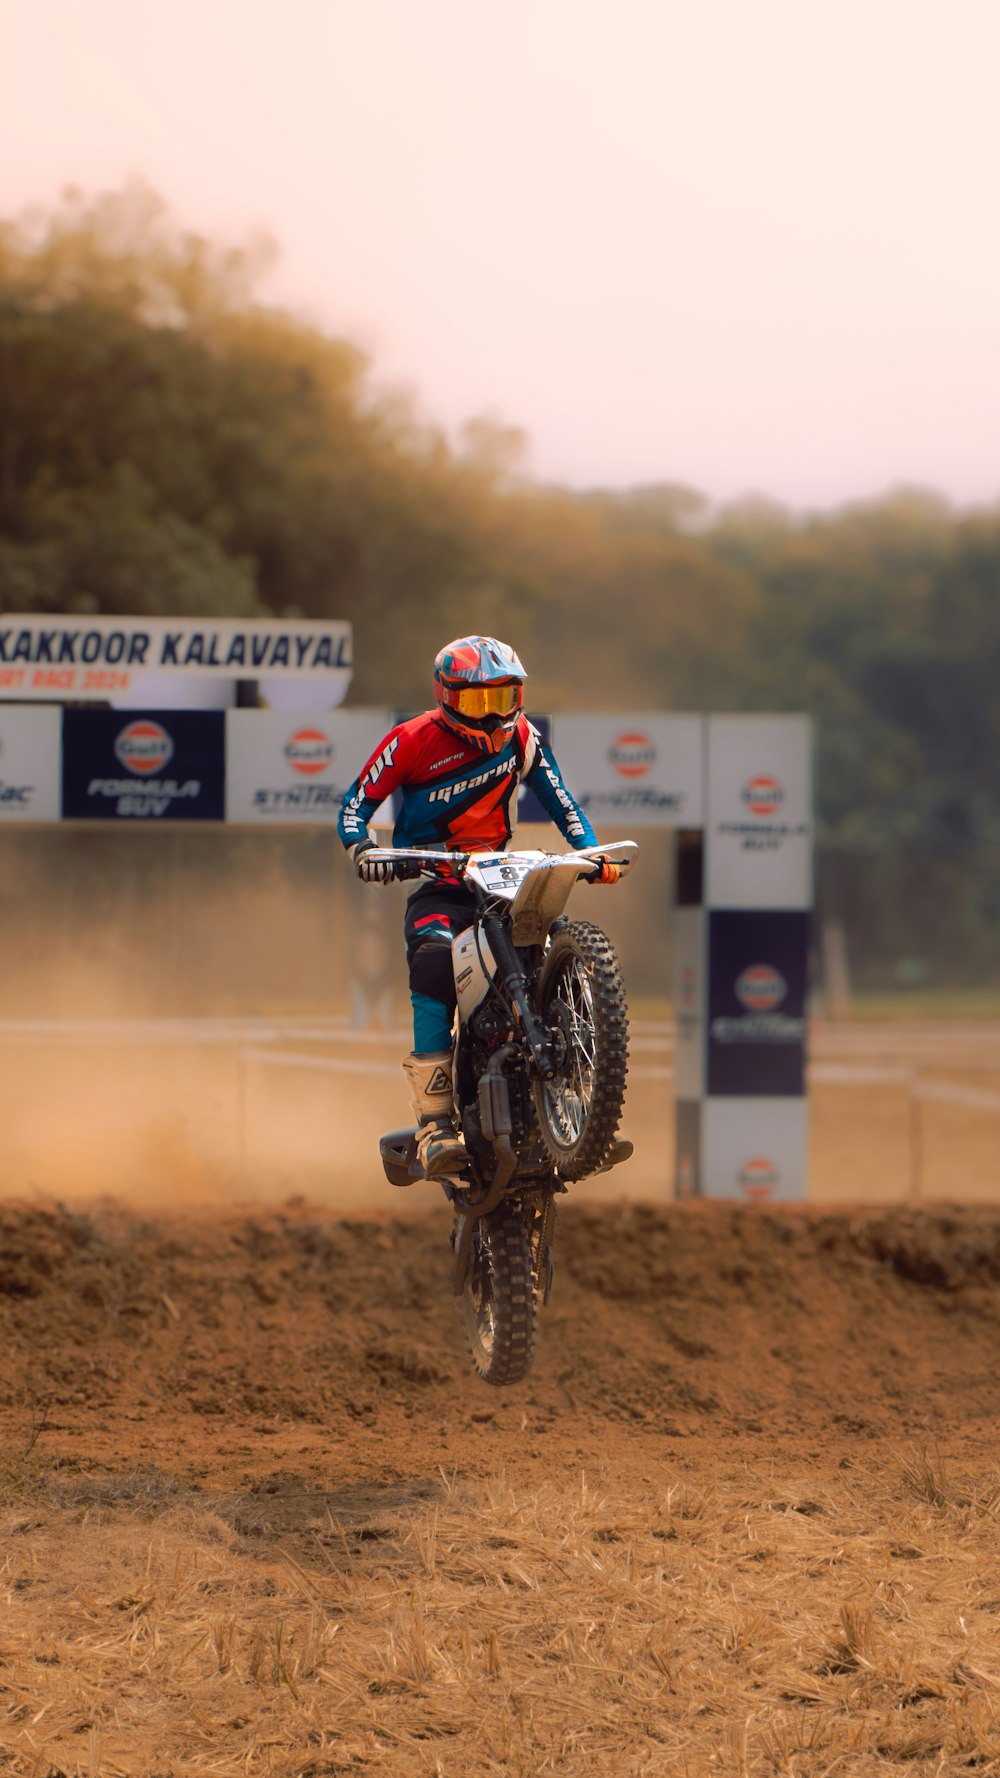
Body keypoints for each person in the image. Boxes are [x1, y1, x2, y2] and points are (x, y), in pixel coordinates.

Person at [338, 635, 619, 1176]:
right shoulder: (410, 740)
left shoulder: (525, 738)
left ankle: (586, 1108)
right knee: (430, 958)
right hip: (438, 881)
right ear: (447, 696)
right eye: (477, 701)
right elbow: (355, 806)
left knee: (551, 943)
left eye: (505, 696)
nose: (493, 715)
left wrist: (592, 853)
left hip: (501, 879)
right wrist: (365, 849)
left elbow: (562, 802)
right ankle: (434, 1122)